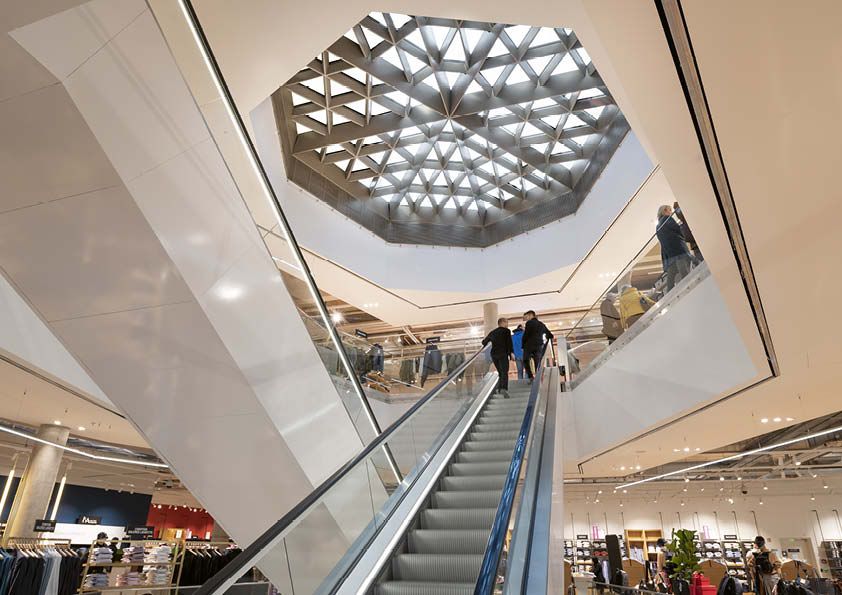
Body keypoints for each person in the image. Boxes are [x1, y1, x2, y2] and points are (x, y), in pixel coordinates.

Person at [656, 204, 692, 291]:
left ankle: (670, 291)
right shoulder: (667, 219)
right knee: (683, 269)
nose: (671, 212)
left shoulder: (658, 226)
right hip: (677, 249)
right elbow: (678, 230)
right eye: (669, 210)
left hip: (668, 253)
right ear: (664, 211)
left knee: (671, 274)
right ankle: (689, 287)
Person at [482, 317, 514, 397]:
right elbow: (509, 343)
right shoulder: (506, 331)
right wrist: (511, 353)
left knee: (500, 372)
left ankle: (499, 388)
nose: (507, 324)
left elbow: (484, 342)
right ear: (503, 322)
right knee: (504, 371)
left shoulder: (493, 332)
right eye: (506, 322)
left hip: (494, 354)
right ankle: (504, 388)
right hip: (503, 354)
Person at [521, 310, 553, 382]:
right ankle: (538, 378)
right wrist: (545, 342)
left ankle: (530, 376)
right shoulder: (541, 324)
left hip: (529, 345)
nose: (526, 318)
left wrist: (522, 346)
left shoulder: (529, 323)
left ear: (530, 315)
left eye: (527, 316)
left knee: (525, 360)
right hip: (538, 346)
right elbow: (550, 334)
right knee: (537, 362)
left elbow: (526, 335)